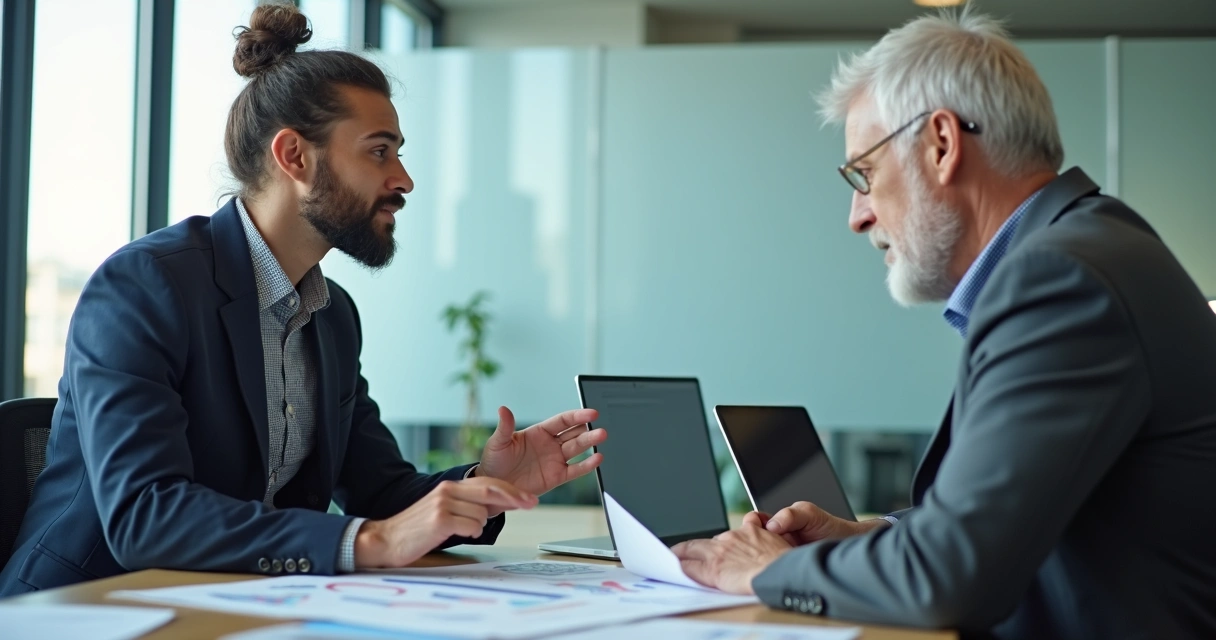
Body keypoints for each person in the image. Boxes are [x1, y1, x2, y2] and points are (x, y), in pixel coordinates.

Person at [0, 2, 607, 597]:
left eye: (398, 152)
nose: (403, 179)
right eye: (378, 151)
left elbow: (382, 493)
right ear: (294, 155)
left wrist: (488, 481)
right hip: (85, 607)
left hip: (233, 602)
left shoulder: (332, 314)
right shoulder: (142, 287)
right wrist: (368, 543)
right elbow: (144, 516)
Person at [672, 9, 1216, 639]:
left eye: (865, 175)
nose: (857, 216)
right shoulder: (1092, 246)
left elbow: (949, 580)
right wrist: (867, 540)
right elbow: (1022, 523)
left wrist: (765, 572)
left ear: (940, 144)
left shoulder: (1060, 279)